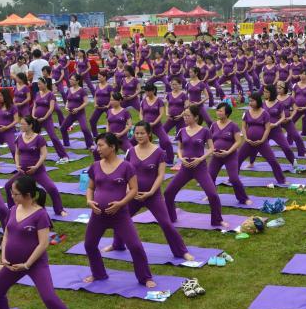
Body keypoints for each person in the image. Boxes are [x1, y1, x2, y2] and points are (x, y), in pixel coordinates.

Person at [0, 175, 78, 309]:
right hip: (12, 263)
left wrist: (27, 264)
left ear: (27, 195)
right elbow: (7, 233)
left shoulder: (40, 214)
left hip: (35, 264)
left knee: (49, 298)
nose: (11, 196)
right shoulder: (13, 209)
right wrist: (4, 256)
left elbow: (43, 244)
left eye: (15, 194)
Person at [102, 122, 193, 260]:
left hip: (153, 195)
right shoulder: (131, 151)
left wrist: (151, 192)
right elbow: (125, 173)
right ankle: (117, 244)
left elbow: (160, 175)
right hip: (133, 194)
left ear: (149, 134)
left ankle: (181, 251)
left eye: (142, 133)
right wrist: (128, 190)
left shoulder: (159, 152)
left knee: (166, 223)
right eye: (136, 133)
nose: (139, 136)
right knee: (121, 219)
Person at [83, 134, 156, 287]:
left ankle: (145, 277)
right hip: (98, 215)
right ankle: (98, 274)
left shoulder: (126, 167)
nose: (98, 149)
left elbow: (134, 189)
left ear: (112, 147)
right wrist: (89, 201)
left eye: (101, 145)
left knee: (135, 246)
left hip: (120, 215)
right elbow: (90, 187)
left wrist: (121, 203)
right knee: (89, 244)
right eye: (97, 145)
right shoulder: (95, 166)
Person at [163, 105, 228, 229]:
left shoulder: (204, 131)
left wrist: (200, 159)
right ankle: (171, 217)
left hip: (200, 168)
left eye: (188, 116)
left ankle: (217, 220)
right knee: (168, 192)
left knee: (212, 195)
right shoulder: (182, 131)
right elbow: (180, 148)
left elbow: (211, 148)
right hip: (185, 167)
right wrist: (181, 159)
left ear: (196, 117)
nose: (185, 118)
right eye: (184, 115)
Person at [3, 117, 67, 218]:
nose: (21, 126)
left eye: (23, 124)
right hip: (23, 172)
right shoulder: (19, 137)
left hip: (38, 171)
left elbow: (44, 154)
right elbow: (17, 153)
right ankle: (12, 208)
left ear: (30, 125)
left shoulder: (39, 138)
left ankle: (59, 209)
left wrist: (36, 166)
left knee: (52, 188)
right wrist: (17, 165)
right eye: (20, 124)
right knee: (8, 186)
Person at [237, 93, 287, 185]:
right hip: (249, 142)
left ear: (258, 101)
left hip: (262, 143)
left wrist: (262, 140)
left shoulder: (265, 113)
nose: (250, 103)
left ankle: (281, 180)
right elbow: (243, 127)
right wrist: (246, 139)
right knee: (238, 159)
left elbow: (267, 128)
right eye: (249, 100)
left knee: (272, 160)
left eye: (252, 101)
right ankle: (233, 178)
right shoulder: (247, 113)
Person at [208, 102, 252, 204]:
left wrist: (228, 152)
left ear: (227, 113)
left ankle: (244, 198)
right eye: (217, 110)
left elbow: (238, 141)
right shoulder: (214, 125)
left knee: (234, 178)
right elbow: (209, 140)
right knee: (210, 176)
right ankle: (211, 195)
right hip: (216, 156)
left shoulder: (233, 126)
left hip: (230, 156)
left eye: (220, 111)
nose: (218, 112)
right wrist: (212, 150)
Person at [0, 88, 19, 157]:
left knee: (13, 149)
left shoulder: (13, 107)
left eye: (1, 96)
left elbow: (16, 120)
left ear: (6, 96)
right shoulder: (0, 106)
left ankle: (19, 165)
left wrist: (6, 127)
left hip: (9, 131)